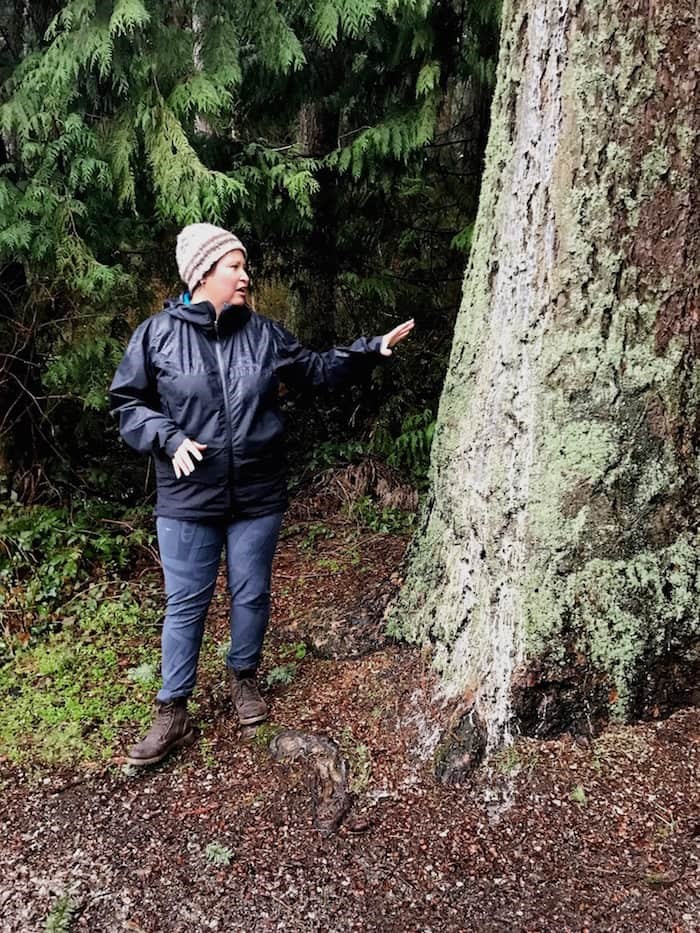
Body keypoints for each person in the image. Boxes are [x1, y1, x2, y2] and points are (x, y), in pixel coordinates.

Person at [108, 223, 415, 767]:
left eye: (244, 266)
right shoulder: (156, 336)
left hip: (257, 494)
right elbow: (128, 404)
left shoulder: (264, 334)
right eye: (235, 266)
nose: (246, 276)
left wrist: (370, 350)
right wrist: (169, 436)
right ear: (203, 273)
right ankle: (173, 710)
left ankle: (243, 678)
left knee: (250, 593)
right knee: (185, 605)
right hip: (187, 499)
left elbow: (317, 370)